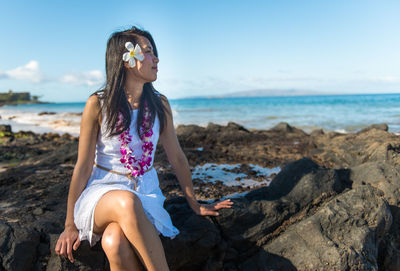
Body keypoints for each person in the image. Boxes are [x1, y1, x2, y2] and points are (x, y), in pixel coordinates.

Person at [54, 26, 234, 271]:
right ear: (127, 60)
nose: (156, 58)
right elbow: (83, 165)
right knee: (126, 202)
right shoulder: (98, 104)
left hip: (146, 192)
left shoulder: (160, 104)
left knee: (114, 242)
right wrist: (69, 225)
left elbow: (177, 158)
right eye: (148, 52)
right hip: (102, 192)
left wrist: (194, 203)